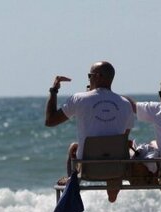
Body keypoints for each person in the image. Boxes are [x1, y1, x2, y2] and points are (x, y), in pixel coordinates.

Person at [44, 61, 135, 202]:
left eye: (89, 75)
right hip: (116, 167)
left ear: (97, 76)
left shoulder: (79, 98)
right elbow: (124, 137)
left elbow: (50, 121)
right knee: (116, 147)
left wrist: (53, 90)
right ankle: (112, 193)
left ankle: (71, 182)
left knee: (73, 147)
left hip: (88, 168)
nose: (89, 79)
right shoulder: (125, 104)